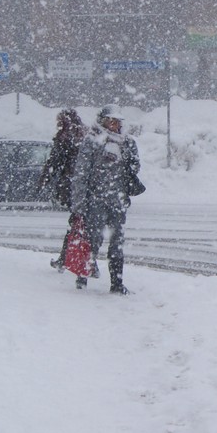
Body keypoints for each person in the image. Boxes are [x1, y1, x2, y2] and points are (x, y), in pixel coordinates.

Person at [69, 105, 142, 294]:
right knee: (94, 239)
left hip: (118, 200)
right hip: (96, 200)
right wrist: (79, 204)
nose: (115, 125)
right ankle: (82, 277)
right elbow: (81, 173)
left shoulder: (127, 142)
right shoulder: (92, 141)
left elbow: (134, 167)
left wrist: (129, 159)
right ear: (103, 121)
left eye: (118, 121)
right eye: (111, 120)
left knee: (117, 242)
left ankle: (117, 283)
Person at [38, 108, 86, 270]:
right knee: (80, 223)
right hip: (85, 185)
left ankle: (70, 259)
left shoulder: (65, 138)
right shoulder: (85, 135)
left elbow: (55, 161)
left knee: (76, 223)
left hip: (73, 185)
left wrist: (45, 179)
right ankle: (71, 259)